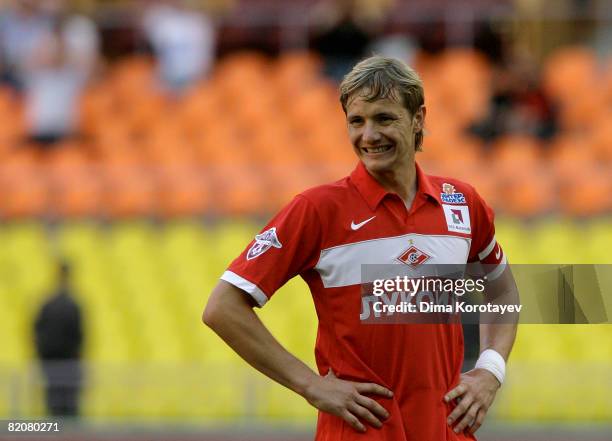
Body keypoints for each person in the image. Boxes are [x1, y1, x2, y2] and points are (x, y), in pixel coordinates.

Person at [203, 56, 519, 440]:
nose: (368, 135)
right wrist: (310, 385)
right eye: (357, 121)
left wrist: (490, 370)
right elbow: (222, 307)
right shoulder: (318, 210)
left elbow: (502, 289)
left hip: (447, 430)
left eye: (384, 118)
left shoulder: (462, 203)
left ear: (418, 118)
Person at [34, 260, 83, 417]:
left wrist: (42, 354)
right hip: (67, 361)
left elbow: (36, 330)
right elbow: (79, 335)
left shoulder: (47, 303)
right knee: (67, 404)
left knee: (54, 403)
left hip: (52, 361)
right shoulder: (72, 304)